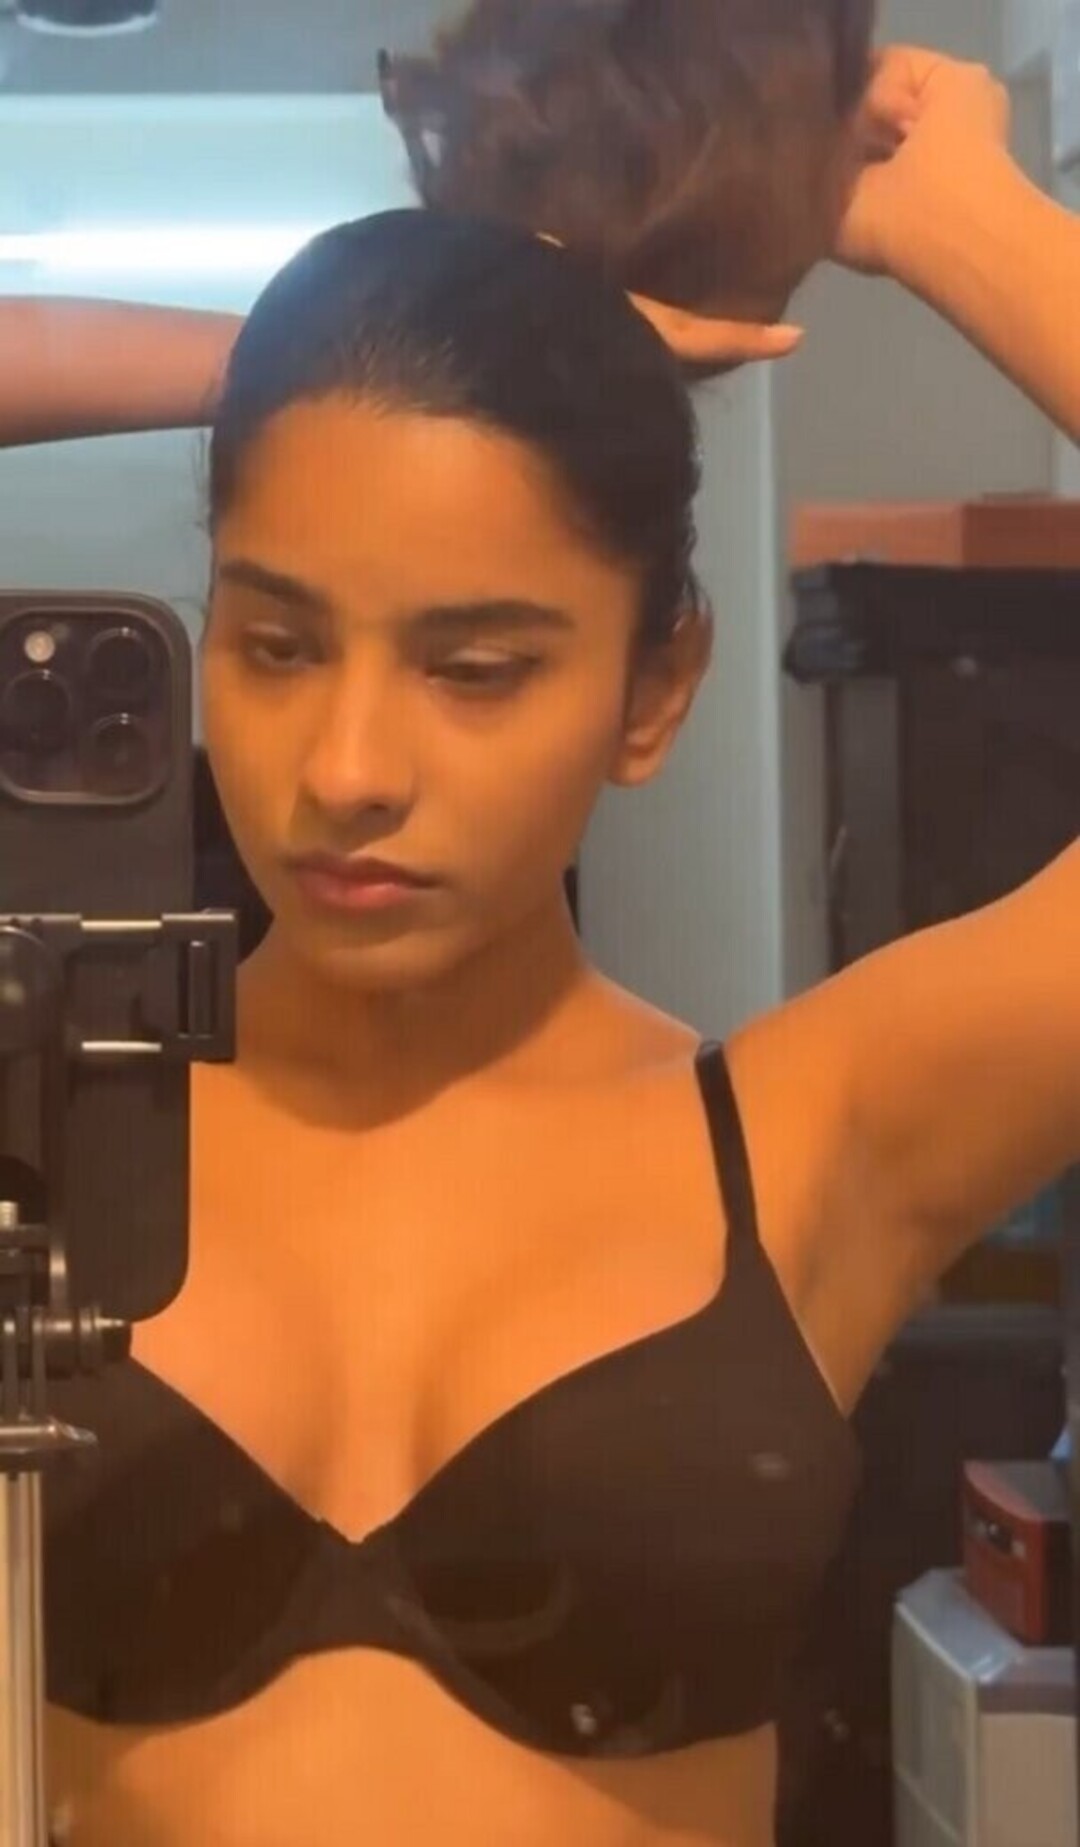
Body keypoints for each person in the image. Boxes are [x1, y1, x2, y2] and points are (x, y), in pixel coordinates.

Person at [11, 32, 1078, 1847]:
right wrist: (301, 363)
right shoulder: (48, 1116)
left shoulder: (817, 1137)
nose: (346, 771)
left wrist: (959, 215)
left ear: (654, 688)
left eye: (478, 668)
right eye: (276, 646)